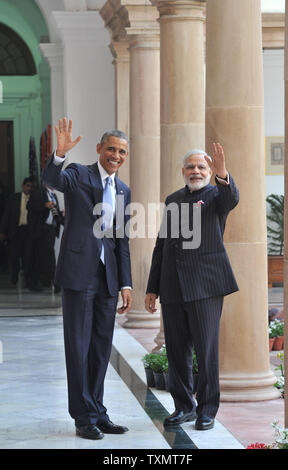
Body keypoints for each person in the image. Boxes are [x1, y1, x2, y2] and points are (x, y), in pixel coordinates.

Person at [42, 118, 132, 440]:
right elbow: (53, 179)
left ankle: (98, 411)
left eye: (121, 151)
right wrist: (59, 156)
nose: (116, 155)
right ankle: (82, 417)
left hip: (108, 280)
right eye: (111, 149)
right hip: (79, 276)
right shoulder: (79, 174)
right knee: (78, 347)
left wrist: (126, 283)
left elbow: (121, 240)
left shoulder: (123, 189)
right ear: (99, 149)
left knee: (99, 349)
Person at [145, 143, 239, 431]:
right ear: (183, 171)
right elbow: (162, 245)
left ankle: (207, 410)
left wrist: (223, 172)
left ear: (209, 172)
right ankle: (184, 407)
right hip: (172, 287)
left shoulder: (215, 196)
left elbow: (231, 198)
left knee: (206, 351)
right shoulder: (172, 199)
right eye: (190, 167)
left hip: (205, 287)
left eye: (202, 167)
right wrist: (153, 287)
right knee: (176, 351)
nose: (195, 171)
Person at [27, 183, 64, 292]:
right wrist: (44, 205)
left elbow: (55, 213)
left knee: (43, 256)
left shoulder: (54, 195)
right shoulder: (38, 192)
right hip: (41, 230)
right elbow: (29, 206)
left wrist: (62, 216)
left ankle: (44, 281)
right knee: (46, 256)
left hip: (51, 229)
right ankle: (55, 283)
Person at [0, 177, 34, 287]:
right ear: (23, 186)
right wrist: (2, 231)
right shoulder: (14, 198)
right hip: (16, 231)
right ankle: (14, 277)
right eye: (27, 186)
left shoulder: (34, 199)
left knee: (27, 256)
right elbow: (7, 215)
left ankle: (27, 278)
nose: (29, 188)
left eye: (31, 187)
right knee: (14, 256)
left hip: (28, 231)